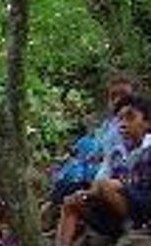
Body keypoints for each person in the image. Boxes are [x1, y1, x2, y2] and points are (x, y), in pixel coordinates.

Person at [53, 94, 151, 246]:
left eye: (130, 117)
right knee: (71, 202)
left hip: (144, 213)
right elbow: (98, 183)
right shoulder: (115, 152)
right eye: (120, 118)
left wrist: (119, 186)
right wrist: (87, 194)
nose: (123, 123)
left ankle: (135, 228)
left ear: (147, 123)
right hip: (118, 215)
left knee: (107, 186)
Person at [51, 75, 137, 207]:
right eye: (113, 96)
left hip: (118, 176)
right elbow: (97, 149)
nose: (118, 100)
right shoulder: (108, 124)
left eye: (123, 95)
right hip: (99, 170)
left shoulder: (137, 124)